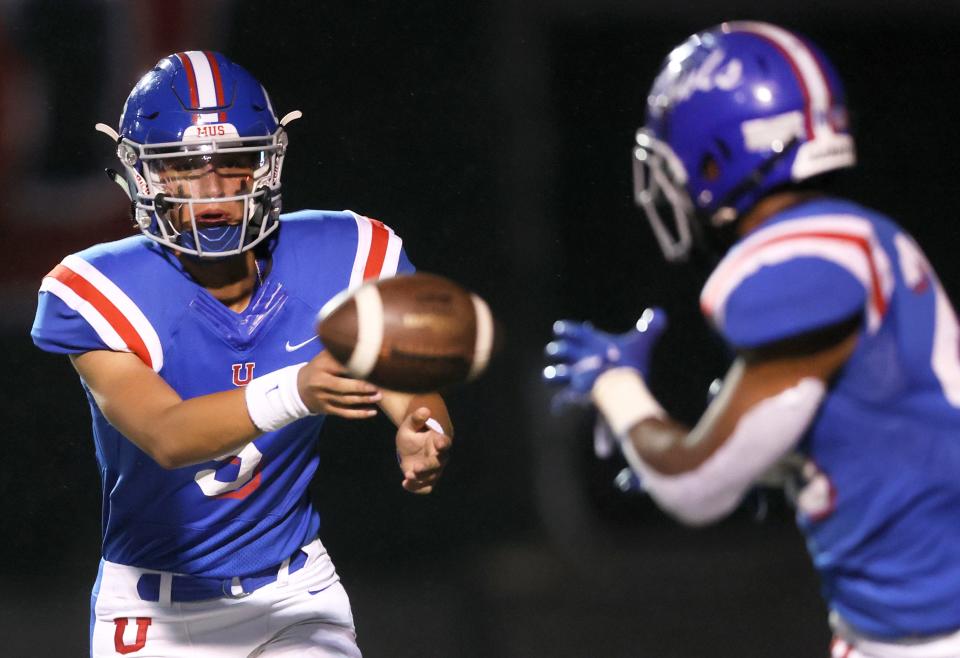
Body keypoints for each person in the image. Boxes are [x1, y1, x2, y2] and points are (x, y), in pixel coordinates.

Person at [544, 21, 960, 657]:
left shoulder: (797, 265)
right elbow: (895, 422)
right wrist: (781, 463)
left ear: (713, 158)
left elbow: (696, 486)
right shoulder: (860, 236)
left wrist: (615, 387)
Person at [31, 51, 453, 658]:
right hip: (157, 613)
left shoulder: (342, 251)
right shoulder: (99, 290)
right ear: (142, 176)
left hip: (296, 596)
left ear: (268, 164)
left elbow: (401, 374)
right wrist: (299, 389)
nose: (214, 192)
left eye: (234, 164)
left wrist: (422, 419)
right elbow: (168, 434)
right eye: (184, 168)